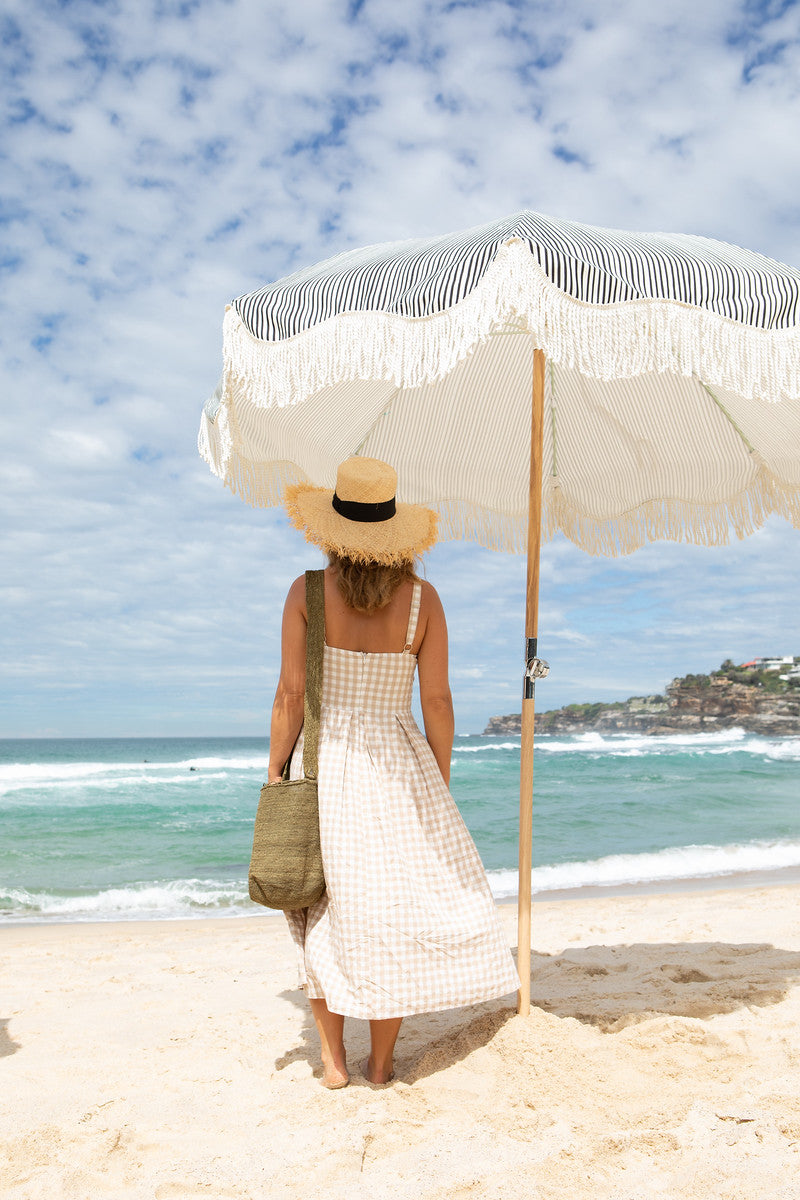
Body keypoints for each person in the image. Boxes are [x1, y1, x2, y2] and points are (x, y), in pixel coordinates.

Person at [268, 457, 519, 1089]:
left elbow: (291, 698)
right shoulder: (423, 601)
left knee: (322, 907)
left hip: (325, 761)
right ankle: (381, 1065)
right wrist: (438, 776)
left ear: (331, 529)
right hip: (398, 763)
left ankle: (332, 1060)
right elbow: (437, 703)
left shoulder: (306, 593)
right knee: (393, 911)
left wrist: (276, 771)